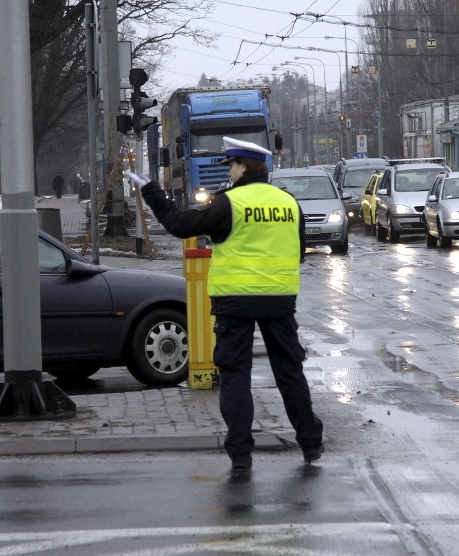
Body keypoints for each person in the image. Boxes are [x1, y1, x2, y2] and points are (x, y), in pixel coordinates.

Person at [127, 136, 323, 470]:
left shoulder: (229, 203)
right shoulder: (288, 203)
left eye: (231, 165)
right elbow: (299, 251)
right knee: (290, 372)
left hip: (235, 301)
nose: (229, 172)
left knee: (235, 375)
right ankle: (310, 443)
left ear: (244, 166)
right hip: (279, 300)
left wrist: (151, 191)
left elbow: (180, 225)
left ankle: (241, 452)